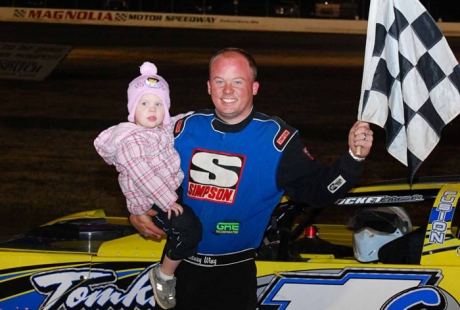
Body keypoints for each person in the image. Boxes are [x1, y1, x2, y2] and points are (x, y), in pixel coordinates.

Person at [129, 48, 374, 310]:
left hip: (235, 277)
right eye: (220, 81)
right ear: (209, 87)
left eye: (238, 81)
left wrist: (353, 160)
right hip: (180, 274)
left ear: (254, 87)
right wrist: (136, 209)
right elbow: (138, 166)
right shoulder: (181, 129)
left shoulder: (278, 140)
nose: (227, 90)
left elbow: (318, 192)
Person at [94, 62, 202, 310]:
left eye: (158, 104)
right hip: (153, 199)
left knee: (189, 227)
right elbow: (142, 174)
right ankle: (164, 276)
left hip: (167, 193)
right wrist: (168, 201)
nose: (152, 109)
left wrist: (197, 115)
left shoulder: (160, 128)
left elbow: (177, 120)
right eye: (144, 103)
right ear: (133, 109)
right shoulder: (129, 139)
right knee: (187, 229)